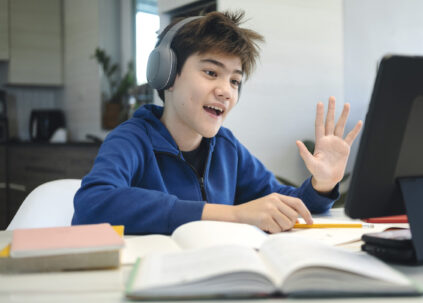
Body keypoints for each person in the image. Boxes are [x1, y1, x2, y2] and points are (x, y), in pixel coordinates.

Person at [72, 11, 362, 235]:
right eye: (211, 72)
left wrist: (322, 185)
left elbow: (287, 205)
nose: (226, 90)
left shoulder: (227, 148)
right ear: (167, 75)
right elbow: (93, 205)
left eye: (235, 80)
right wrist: (232, 214)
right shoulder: (131, 139)